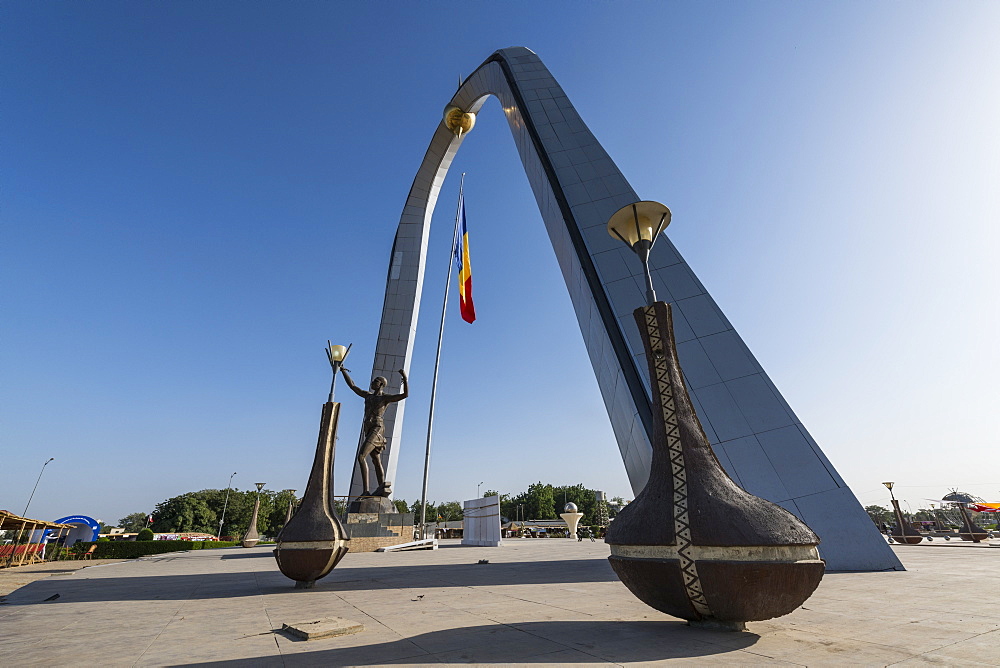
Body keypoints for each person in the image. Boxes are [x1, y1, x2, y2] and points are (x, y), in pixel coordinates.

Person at [341, 367, 408, 496]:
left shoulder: (385, 398)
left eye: (375, 381)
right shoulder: (368, 396)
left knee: (361, 456)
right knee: (376, 458)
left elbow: (404, 395)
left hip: (377, 428)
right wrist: (343, 371)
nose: (372, 383)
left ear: (381, 384)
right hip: (368, 427)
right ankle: (382, 486)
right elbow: (353, 386)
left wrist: (404, 379)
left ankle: (365, 491)